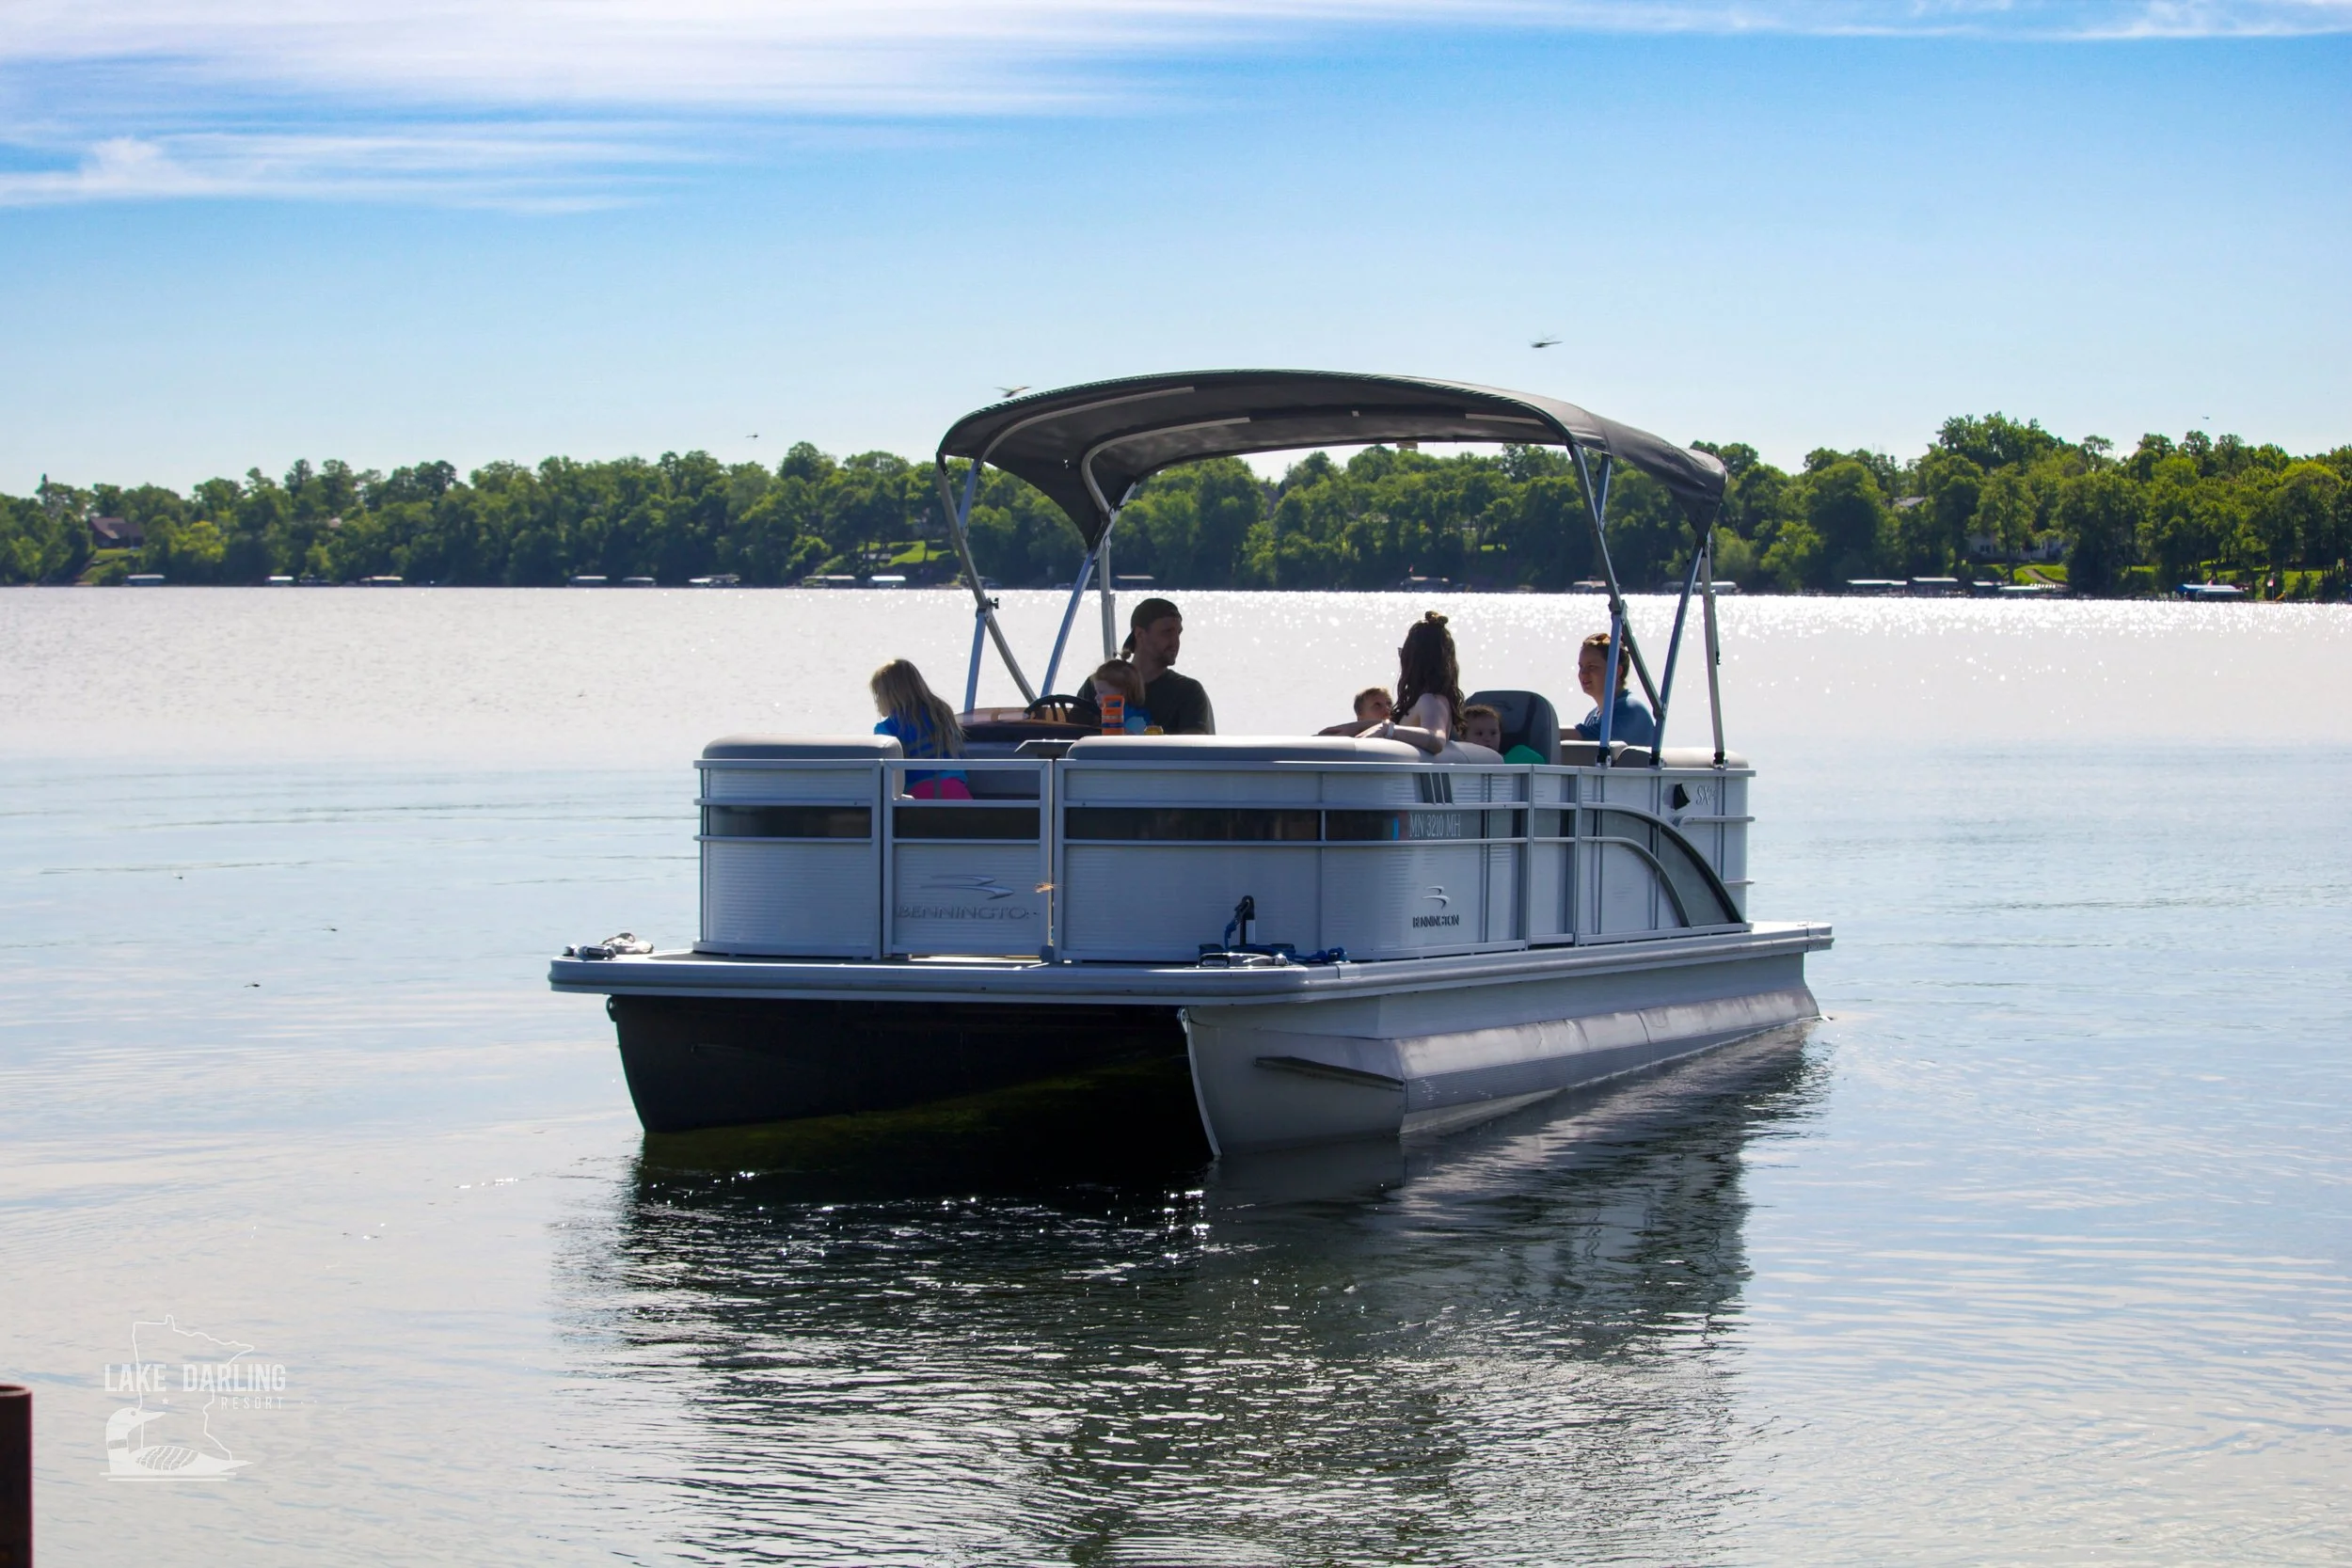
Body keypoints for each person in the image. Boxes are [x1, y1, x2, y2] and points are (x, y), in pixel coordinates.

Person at [1360, 610, 1468, 757]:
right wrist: (1352, 728)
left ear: (1412, 660)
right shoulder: (1425, 700)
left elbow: (1437, 739)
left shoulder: (1431, 700)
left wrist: (1388, 730)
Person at [869, 657, 971, 799]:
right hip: (955, 788)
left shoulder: (886, 730)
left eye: (878, 695)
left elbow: (888, 778)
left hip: (919, 793)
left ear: (889, 696)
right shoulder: (941, 712)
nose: (876, 701)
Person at [1120, 597, 1214, 734]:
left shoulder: (1188, 693)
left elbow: (1194, 751)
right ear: (1140, 634)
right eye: (1167, 632)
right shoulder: (1099, 686)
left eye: (1178, 633)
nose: (1176, 642)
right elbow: (1078, 739)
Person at [1569, 631, 1657, 748]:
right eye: (1581, 666)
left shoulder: (1630, 710)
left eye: (1592, 667)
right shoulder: (1592, 717)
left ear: (1617, 671)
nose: (1583, 673)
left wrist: (1543, 728)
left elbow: (1593, 738)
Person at [1087, 658, 1152, 734]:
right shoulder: (1108, 717)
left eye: (1101, 692)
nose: (1096, 697)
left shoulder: (1135, 720)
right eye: (1096, 692)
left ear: (1122, 693)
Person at [1318, 686, 1391, 736]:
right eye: (1377, 705)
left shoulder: (1400, 733)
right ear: (1360, 717)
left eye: (1389, 704)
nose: (1387, 708)